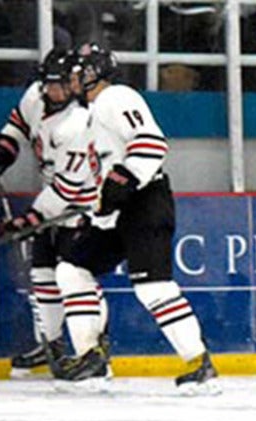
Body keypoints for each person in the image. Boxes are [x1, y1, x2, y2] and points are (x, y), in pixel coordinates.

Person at [51, 43, 219, 394]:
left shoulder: (116, 98)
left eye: (79, 73)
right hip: (121, 210)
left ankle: (199, 363)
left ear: (95, 73)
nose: (73, 81)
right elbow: (107, 181)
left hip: (146, 202)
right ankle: (91, 360)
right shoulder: (91, 116)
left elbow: (151, 143)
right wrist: (97, 213)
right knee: (72, 268)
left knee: (153, 287)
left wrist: (121, 183)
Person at [0, 49, 86, 378]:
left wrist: (31, 218)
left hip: (80, 205)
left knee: (77, 278)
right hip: (51, 197)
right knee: (43, 273)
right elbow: (16, 128)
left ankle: (94, 351)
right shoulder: (35, 96)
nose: (53, 90)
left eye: (61, 84)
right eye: (49, 83)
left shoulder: (78, 121)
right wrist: (1, 151)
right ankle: (52, 345)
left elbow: (67, 188)